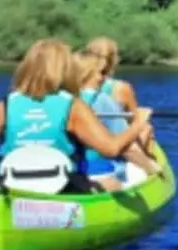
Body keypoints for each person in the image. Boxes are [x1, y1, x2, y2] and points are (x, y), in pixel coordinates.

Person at [0, 39, 153, 193]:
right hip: (66, 188)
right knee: (113, 184)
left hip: (12, 186)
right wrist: (138, 124)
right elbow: (111, 148)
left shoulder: (5, 105)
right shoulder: (73, 106)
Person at [62, 52, 161, 191]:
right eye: (101, 72)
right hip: (101, 173)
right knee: (139, 171)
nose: (105, 78)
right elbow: (128, 149)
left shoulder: (61, 100)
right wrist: (154, 170)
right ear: (87, 74)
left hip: (68, 174)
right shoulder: (102, 100)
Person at [83, 37, 151, 148]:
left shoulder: (75, 86)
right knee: (147, 128)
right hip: (114, 143)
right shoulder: (121, 88)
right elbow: (135, 120)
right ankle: (148, 162)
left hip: (86, 140)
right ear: (114, 60)